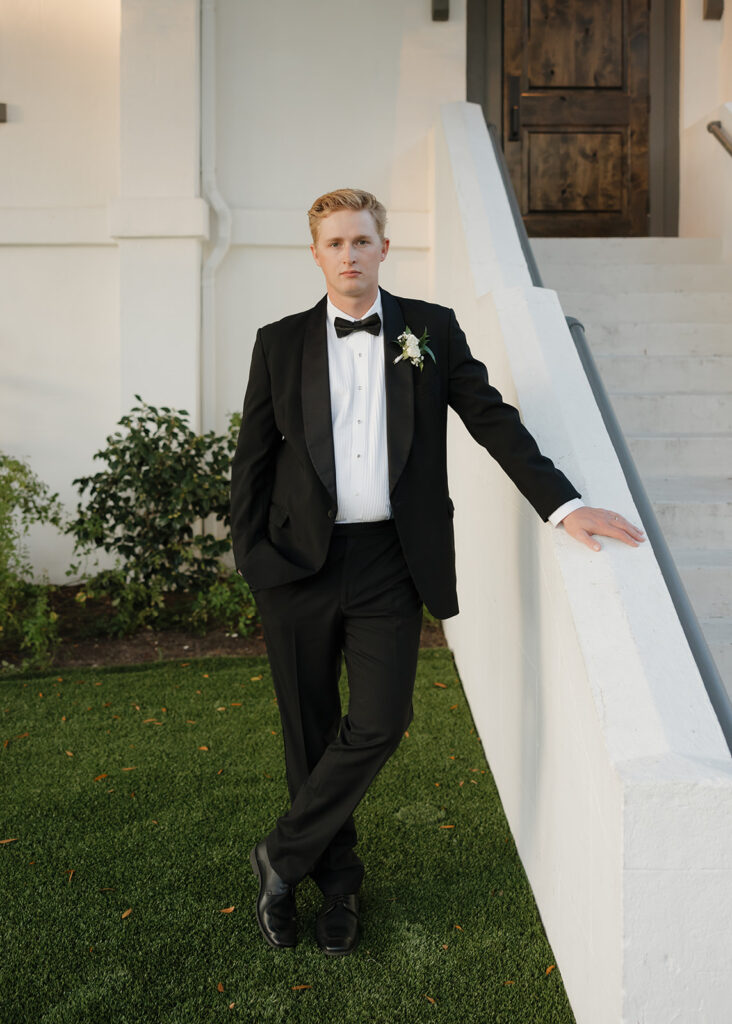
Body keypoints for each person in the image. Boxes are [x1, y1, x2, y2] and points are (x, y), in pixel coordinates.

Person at [229, 188, 644, 957]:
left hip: (390, 560)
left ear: (385, 247)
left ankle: (280, 854)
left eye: (362, 240)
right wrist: (253, 559)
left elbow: (493, 421)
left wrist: (564, 505)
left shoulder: (432, 330)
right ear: (316, 254)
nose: (349, 254)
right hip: (296, 568)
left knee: (382, 720)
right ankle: (336, 890)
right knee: (309, 734)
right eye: (335, 244)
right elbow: (252, 460)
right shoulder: (278, 342)